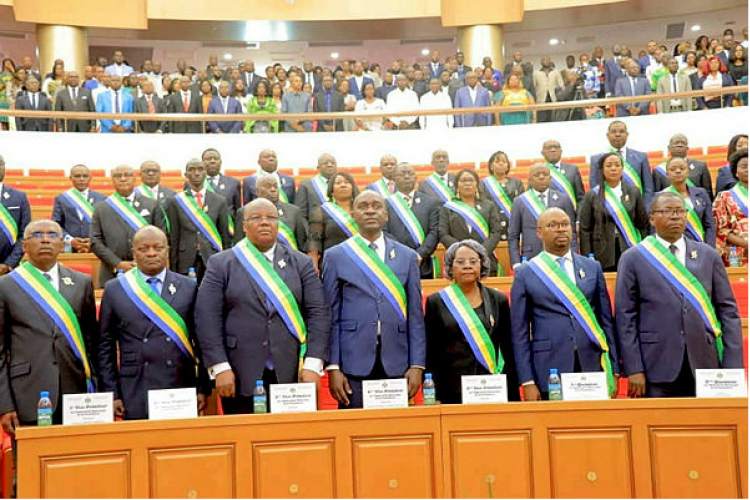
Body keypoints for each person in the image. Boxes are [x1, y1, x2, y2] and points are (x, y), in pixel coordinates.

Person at [196, 198, 330, 414]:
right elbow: (207, 318)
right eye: (256, 218)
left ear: (278, 224)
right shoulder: (221, 264)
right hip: (238, 373)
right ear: (243, 226)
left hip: (292, 372)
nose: (264, 222)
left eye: (271, 217)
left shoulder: (301, 263)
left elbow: (318, 314)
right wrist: (219, 367)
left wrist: (313, 364)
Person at [615, 192, 743, 398]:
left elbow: (728, 312)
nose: (675, 216)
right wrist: (633, 368)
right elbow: (625, 317)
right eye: (667, 211)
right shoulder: (633, 258)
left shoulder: (708, 255)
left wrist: (733, 364)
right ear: (652, 218)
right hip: (655, 365)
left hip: (706, 364)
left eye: (680, 211)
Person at [323, 191, 425, 409]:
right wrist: (333, 366)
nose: (370, 210)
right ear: (353, 214)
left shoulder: (407, 256)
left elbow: (415, 315)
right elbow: (329, 315)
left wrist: (417, 364)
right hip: (352, 362)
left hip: (398, 362)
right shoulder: (335, 256)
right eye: (363, 206)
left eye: (376, 206)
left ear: (386, 215)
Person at [98, 226, 210, 420]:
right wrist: (112, 393)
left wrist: (202, 387)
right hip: (135, 385)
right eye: (143, 249)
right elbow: (104, 346)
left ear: (167, 250)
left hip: (179, 383)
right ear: (134, 252)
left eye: (158, 248)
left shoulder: (188, 286)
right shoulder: (115, 289)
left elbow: (201, 341)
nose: (151, 253)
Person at [512, 208, 619, 401]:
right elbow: (519, 332)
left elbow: (606, 322)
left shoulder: (591, 267)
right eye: (553, 225)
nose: (561, 230)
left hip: (592, 362)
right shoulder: (525, 273)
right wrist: (527, 381)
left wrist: (615, 369)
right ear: (539, 232)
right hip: (549, 367)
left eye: (565, 224)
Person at [0, 219, 98, 431]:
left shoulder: (81, 282)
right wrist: (4, 405)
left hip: (78, 393)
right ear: (24, 246)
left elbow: (92, 342)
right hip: (27, 393)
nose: (45, 239)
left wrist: (98, 388)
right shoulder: (6, 285)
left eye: (52, 235)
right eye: (37, 235)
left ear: (62, 245)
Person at [425, 240, 519, 404]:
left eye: (473, 261)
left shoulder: (499, 300)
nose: (467, 266)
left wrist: (512, 394)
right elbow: (432, 352)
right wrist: (435, 395)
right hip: (452, 390)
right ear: (450, 267)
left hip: (492, 387)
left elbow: (508, 348)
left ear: (482, 265)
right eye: (460, 262)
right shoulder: (437, 302)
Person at [90, 165, 167, 287]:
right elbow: (95, 241)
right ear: (112, 179)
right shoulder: (101, 208)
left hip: (148, 271)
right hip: (112, 272)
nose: (123, 179)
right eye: (118, 176)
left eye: (127, 175)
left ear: (135, 178)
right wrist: (117, 263)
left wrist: (142, 260)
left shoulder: (152, 205)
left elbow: (161, 237)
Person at [579, 153, 649, 272]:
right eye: (609, 165)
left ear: (622, 168)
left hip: (630, 247)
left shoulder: (633, 192)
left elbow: (643, 224)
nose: (613, 169)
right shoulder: (592, 195)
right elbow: (585, 229)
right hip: (603, 251)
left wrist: (644, 247)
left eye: (617, 165)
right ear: (602, 170)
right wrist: (588, 255)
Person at [167, 159, 230, 282]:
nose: (196, 173)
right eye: (192, 170)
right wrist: (173, 268)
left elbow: (225, 237)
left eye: (200, 169)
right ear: (186, 175)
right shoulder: (176, 202)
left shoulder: (219, 201)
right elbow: (174, 237)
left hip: (212, 257)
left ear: (206, 172)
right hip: (185, 259)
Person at [439, 169, 506, 276]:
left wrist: (481, 252)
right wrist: (460, 251)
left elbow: (496, 232)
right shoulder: (448, 208)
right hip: (458, 261)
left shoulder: (488, 206)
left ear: (477, 184)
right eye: (463, 181)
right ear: (457, 185)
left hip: (485, 259)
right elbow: (443, 233)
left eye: (471, 180)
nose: (467, 184)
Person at [508, 164, 578, 268]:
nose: (541, 177)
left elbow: (572, 232)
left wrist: (573, 256)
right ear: (530, 179)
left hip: (560, 255)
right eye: (537, 175)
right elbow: (513, 235)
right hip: (531, 257)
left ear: (550, 178)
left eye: (545, 174)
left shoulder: (563, 199)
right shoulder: (520, 202)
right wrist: (516, 262)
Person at [385, 163, 440, 279]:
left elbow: (434, 232)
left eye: (410, 174)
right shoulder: (385, 204)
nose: (406, 177)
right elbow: (384, 232)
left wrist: (419, 255)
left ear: (416, 178)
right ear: (394, 179)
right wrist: (403, 254)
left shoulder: (431, 203)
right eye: (402, 174)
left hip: (424, 263)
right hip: (395, 262)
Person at [590, 121, 654, 206]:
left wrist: (646, 209)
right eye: (613, 132)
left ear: (627, 135)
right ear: (607, 135)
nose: (617, 134)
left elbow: (648, 188)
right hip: (610, 208)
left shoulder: (641, 157)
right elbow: (595, 187)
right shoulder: (597, 159)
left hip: (637, 207)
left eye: (621, 131)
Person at [236, 176, 308, 250]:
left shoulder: (294, 212)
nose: (273, 189)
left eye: (275, 186)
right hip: (256, 259)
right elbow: (239, 245)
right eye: (268, 186)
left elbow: (301, 244)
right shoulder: (244, 211)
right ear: (257, 191)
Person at [308, 171, 360, 271]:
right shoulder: (321, 211)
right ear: (331, 190)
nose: (343, 185)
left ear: (352, 188)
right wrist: (313, 264)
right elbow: (314, 240)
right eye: (338, 183)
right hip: (333, 263)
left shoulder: (362, 209)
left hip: (361, 260)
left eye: (347, 182)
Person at [660, 157, 716, 247]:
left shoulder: (701, 193)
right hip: (674, 247)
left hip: (701, 245)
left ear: (688, 172)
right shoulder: (660, 197)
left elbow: (709, 224)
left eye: (682, 168)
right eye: (673, 169)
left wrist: (709, 247)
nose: (678, 171)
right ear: (667, 174)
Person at [51, 164, 107, 253]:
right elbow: (56, 224)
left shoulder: (101, 198)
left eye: (85, 176)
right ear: (70, 178)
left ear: (90, 178)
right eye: (77, 176)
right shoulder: (62, 199)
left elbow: (106, 225)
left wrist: (93, 241)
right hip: (69, 247)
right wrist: (70, 240)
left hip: (95, 247)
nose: (81, 179)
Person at [713, 148, 748, 266]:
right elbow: (721, 230)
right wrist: (746, 244)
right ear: (736, 172)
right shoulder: (724, 197)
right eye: (744, 166)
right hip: (738, 253)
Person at [652, 134, 713, 199]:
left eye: (683, 143)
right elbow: (656, 197)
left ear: (687, 148)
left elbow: (708, 194)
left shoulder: (701, 166)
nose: (680, 145)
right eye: (676, 143)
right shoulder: (658, 171)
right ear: (669, 148)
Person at [0, 156, 30, 274]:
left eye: (1, 164)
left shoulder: (19, 197)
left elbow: (25, 234)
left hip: (10, 269)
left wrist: (9, 264)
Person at [480, 150, 525, 221]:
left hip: (513, 222)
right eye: (497, 162)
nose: (501, 164)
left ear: (507, 166)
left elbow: (522, 204)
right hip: (492, 222)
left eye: (504, 162)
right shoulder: (483, 183)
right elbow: (483, 205)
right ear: (491, 166)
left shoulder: (517, 182)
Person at [541, 139, 585, 208]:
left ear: (561, 151)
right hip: (547, 214)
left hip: (570, 214)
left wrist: (579, 218)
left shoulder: (573, 170)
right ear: (542, 153)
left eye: (556, 147)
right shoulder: (538, 171)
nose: (553, 150)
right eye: (549, 148)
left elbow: (581, 198)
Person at [295, 153, 337, 221]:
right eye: (325, 163)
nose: (330, 165)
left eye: (333, 163)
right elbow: (301, 214)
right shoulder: (306, 185)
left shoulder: (345, 184)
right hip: (316, 229)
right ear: (318, 167)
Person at [202, 148, 241, 216]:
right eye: (208, 159)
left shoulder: (233, 183)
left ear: (220, 162)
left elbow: (238, 211)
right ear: (202, 163)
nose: (212, 161)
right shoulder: (194, 183)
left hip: (227, 225)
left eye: (215, 158)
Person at [533, 56, 565, 123]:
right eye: (544, 60)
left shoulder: (556, 72)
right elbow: (534, 87)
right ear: (541, 62)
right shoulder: (536, 73)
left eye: (548, 60)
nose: (546, 61)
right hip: (541, 100)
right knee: (541, 120)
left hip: (553, 99)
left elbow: (561, 85)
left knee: (553, 120)